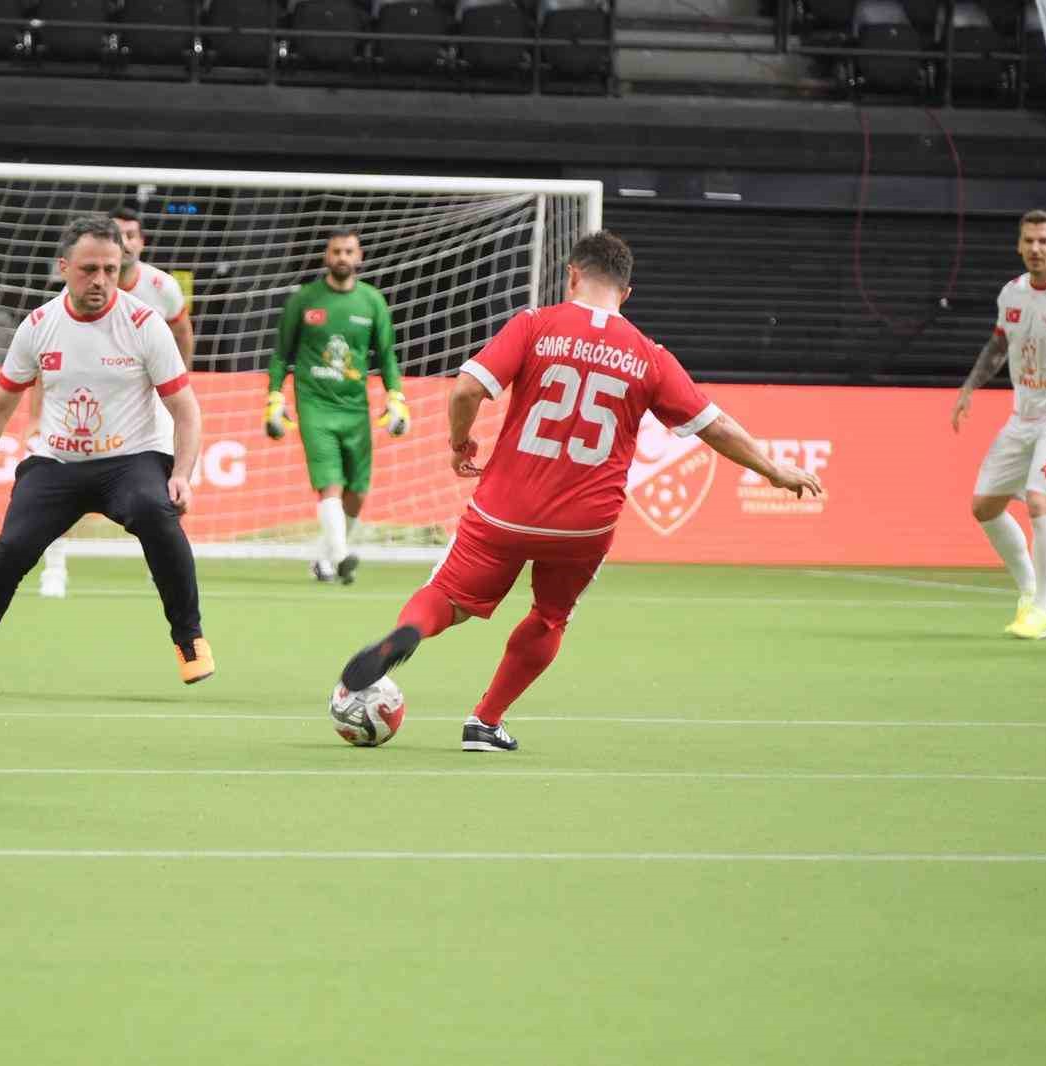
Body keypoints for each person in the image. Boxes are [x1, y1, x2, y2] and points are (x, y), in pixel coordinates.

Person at [338, 230, 821, 752]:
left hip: (506, 509)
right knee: (550, 617)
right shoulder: (650, 356)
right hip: (584, 525)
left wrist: (460, 443)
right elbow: (715, 426)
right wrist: (773, 470)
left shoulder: (535, 325)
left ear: (571, 275)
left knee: (447, 597)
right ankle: (485, 722)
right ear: (626, 293)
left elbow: (468, 388)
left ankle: (411, 631)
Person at [0, 216, 213, 693]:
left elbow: (186, 410)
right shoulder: (38, 326)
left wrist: (183, 474)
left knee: (156, 512)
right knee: (9, 551)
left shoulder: (145, 324)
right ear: (64, 267)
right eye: (89, 269)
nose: (101, 280)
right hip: (57, 463)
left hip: (131, 459)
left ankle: (189, 639)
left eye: (111, 269)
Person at [34, 205, 196, 598]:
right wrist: (35, 417)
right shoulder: (74, 293)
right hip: (87, 402)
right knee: (60, 482)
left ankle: (162, 567)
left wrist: (179, 380)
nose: (125, 244)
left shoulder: (161, 287)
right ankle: (54, 568)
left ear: (141, 242)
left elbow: (182, 332)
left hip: (147, 402)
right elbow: (49, 359)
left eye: (131, 235)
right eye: (118, 235)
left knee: (162, 489)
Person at [265, 228, 408, 584]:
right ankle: (343, 557)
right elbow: (281, 354)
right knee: (329, 483)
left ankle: (325, 559)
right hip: (314, 405)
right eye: (336, 251)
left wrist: (396, 396)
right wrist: (275, 396)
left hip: (355, 408)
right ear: (326, 256)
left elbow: (387, 355)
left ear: (359, 257)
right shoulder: (305, 299)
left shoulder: (372, 302)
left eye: (348, 251)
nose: (342, 257)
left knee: (357, 492)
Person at [952, 209, 1046, 640]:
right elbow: (999, 345)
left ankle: (1042, 610)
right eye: (1029, 241)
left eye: (1044, 240)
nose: (1036, 248)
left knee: (1040, 502)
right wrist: (969, 388)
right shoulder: (1012, 293)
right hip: (1022, 418)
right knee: (984, 507)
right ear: (1019, 246)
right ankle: (1030, 591)